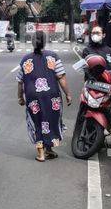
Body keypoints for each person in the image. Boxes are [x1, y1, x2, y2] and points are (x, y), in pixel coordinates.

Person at [17, 30, 72, 162]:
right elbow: (61, 77)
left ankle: (43, 153)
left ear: (32, 42)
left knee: (37, 121)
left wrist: (20, 97)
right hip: (51, 95)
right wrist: (68, 94)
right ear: (45, 42)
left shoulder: (25, 60)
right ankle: (49, 149)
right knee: (50, 121)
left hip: (32, 96)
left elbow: (20, 81)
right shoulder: (53, 56)